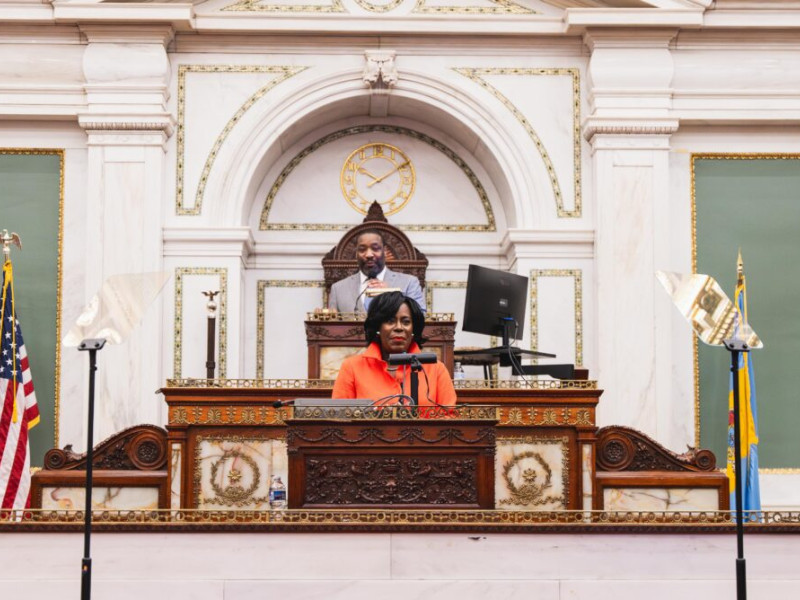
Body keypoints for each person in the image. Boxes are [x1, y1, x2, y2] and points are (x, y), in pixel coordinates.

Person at [332, 292, 456, 407]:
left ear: (413, 329)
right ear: (377, 327)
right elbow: (340, 418)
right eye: (390, 321)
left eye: (406, 322)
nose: (398, 328)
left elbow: (450, 418)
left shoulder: (436, 369)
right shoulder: (352, 367)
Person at [327, 230, 426, 313]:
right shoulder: (338, 289)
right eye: (362, 249)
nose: (369, 254)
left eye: (375, 248)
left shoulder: (409, 283)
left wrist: (392, 296)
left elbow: (420, 318)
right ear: (356, 254)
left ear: (384, 251)